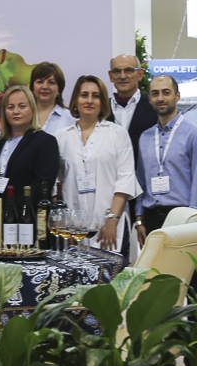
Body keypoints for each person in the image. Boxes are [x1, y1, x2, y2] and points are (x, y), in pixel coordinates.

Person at [132, 75, 197, 264]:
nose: (160, 98)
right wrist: (139, 219)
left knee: (189, 279)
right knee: (156, 278)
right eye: (155, 93)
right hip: (152, 219)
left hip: (184, 219)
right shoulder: (145, 137)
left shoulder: (195, 134)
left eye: (166, 92)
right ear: (150, 99)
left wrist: (194, 224)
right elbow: (141, 181)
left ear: (177, 96)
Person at [55, 76, 139, 253]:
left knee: (112, 270)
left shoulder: (117, 133)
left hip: (109, 226)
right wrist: (64, 224)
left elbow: (126, 179)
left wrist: (112, 220)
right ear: (75, 100)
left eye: (96, 96)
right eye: (84, 95)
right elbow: (54, 184)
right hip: (73, 229)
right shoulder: (61, 136)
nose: (89, 100)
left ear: (103, 102)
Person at [0, 85, 61, 218]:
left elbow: (42, 184)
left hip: (27, 217)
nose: (16, 111)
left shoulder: (45, 142)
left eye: (22, 106)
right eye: (11, 107)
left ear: (32, 109)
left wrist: (14, 211)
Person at [107, 54, 159, 159]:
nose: (122, 76)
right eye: (117, 71)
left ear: (140, 74)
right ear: (111, 76)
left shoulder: (154, 107)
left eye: (129, 70)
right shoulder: (101, 109)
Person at [30, 62, 74, 133]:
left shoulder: (70, 119)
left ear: (59, 89)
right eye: (40, 82)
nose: (45, 87)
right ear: (32, 88)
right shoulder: (24, 115)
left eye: (51, 82)